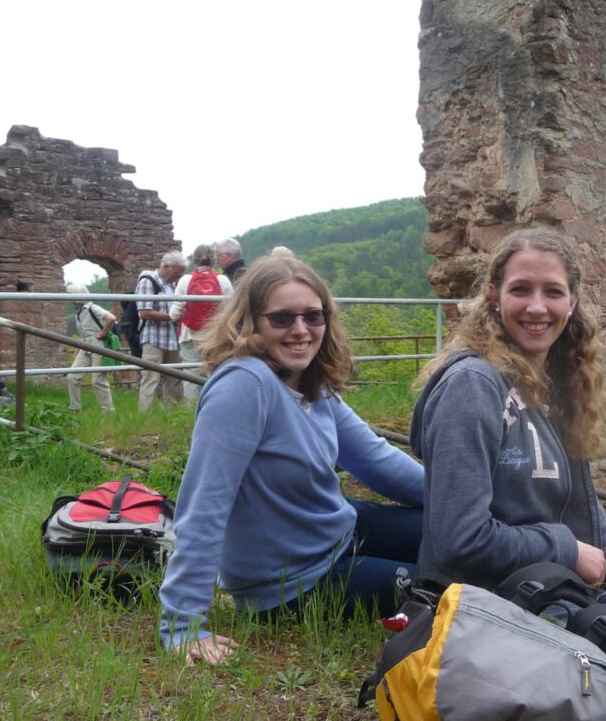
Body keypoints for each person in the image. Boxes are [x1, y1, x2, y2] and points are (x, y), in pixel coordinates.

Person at [410, 226, 606, 645]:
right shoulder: (472, 387)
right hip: (476, 606)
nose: (537, 307)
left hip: (539, 582)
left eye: (553, 292)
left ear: (573, 301)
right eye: (521, 289)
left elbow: (591, 520)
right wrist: (565, 548)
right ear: (494, 295)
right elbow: (460, 540)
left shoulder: (555, 385)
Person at [158, 255, 425, 665]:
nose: (300, 331)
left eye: (312, 317)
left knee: (456, 536)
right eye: (281, 318)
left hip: (338, 529)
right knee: (449, 585)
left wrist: (472, 504)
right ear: (250, 322)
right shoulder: (244, 386)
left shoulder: (308, 383)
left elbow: (377, 460)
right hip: (294, 580)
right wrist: (182, 624)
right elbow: (205, 504)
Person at [169, 244, 232, 404]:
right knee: (215, 374)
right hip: (215, 336)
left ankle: (191, 415)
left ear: (194, 260)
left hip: (190, 336)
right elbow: (232, 310)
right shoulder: (222, 280)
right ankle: (216, 408)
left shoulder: (185, 280)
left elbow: (173, 314)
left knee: (191, 377)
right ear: (214, 260)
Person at [136, 251, 187, 410]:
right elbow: (144, 312)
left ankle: (173, 415)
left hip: (171, 338)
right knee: (151, 377)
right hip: (153, 338)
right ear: (165, 266)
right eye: (177, 272)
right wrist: (171, 316)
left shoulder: (171, 285)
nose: (178, 277)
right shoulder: (147, 281)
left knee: (174, 378)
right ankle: (145, 418)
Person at [65, 283, 116, 412]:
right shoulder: (79, 311)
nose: (68, 298)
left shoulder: (93, 308)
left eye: (70, 295)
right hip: (85, 346)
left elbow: (111, 318)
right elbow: (84, 333)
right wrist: (77, 350)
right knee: (72, 377)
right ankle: (75, 408)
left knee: (98, 381)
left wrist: (103, 333)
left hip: (98, 346)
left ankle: (108, 411)